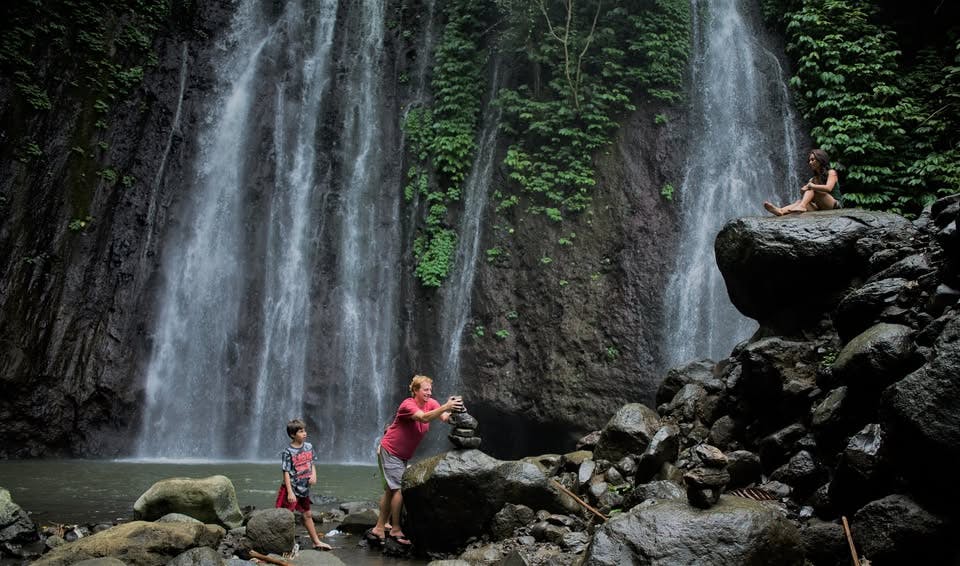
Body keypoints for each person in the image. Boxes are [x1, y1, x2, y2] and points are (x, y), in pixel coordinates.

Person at [369, 375, 463, 546]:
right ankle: (395, 529)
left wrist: (457, 411)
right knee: (398, 489)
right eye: (425, 389)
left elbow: (445, 418)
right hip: (390, 451)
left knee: (390, 490)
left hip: (402, 455)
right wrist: (445, 406)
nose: (429, 392)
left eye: (430, 389)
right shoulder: (408, 405)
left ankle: (379, 527)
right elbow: (424, 418)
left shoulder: (431, 403)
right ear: (415, 391)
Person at [276, 418, 332, 551]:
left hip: (304, 488)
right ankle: (282, 542)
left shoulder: (309, 447)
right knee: (285, 517)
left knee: (307, 515)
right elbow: (286, 472)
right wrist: (290, 492)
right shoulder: (288, 452)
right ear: (292, 435)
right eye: (301, 431)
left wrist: (314, 475)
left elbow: (312, 463)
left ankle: (316, 541)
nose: (304, 433)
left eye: (304, 430)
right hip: (291, 489)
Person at [764, 148, 843, 215]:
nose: (810, 162)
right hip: (820, 207)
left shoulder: (831, 172)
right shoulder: (813, 179)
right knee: (800, 201)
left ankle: (802, 206)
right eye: (809, 160)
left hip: (834, 205)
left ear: (820, 160)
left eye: (813, 160)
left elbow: (828, 188)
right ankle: (781, 211)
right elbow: (806, 194)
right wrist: (802, 190)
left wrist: (811, 186)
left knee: (812, 190)